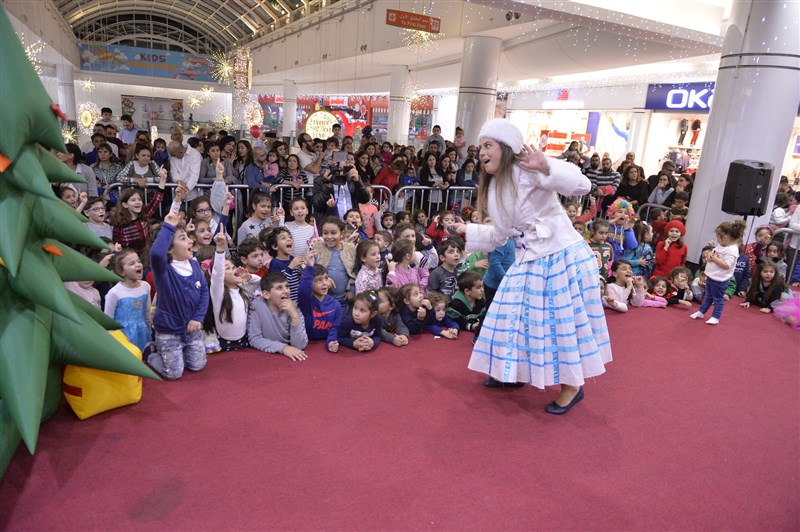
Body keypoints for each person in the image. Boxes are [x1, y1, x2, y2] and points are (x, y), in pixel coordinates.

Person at [451, 118, 611, 414]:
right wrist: (467, 231)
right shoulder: (497, 185)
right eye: (481, 147)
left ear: (507, 148)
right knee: (510, 316)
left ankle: (572, 387)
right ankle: (511, 374)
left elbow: (582, 185)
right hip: (529, 259)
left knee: (559, 325)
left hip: (561, 256)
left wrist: (548, 166)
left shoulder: (528, 169)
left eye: (488, 145)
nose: (481, 152)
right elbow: (500, 234)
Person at [148, 204, 208, 379]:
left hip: (191, 329)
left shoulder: (195, 265)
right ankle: (151, 355)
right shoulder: (164, 269)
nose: (190, 241)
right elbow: (156, 254)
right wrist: (168, 227)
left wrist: (198, 318)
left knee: (197, 366)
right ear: (169, 247)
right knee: (173, 374)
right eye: (183, 238)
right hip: (169, 330)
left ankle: (177, 354)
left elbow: (204, 293)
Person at [689, 220, 746, 325]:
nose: (717, 239)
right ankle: (701, 312)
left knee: (718, 299)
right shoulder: (723, 245)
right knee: (708, 296)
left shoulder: (732, 250)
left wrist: (714, 259)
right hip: (711, 276)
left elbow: (727, 265)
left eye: (718, 237)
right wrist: (711, 255)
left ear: (725, 238)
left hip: (720, 280)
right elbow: (715, 253)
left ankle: (715, 317)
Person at [247, 272, 309, 360]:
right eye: (279, 288)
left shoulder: (294, 308)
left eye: (287, 286)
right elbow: (255, 339)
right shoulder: (257, 306)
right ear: (266, 294)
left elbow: (299, 345)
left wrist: (295, 316)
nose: (286, 291)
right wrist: (283, 348)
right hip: (265, 357)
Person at [209, 230, 251, 351]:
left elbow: (259, 281)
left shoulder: (243, 289)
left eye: (233, 267)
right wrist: (220, 247)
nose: (233, 270)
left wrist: (247, 278)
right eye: (227, 268)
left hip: (244, 342)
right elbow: (217, 272)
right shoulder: (218, 293)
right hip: (224, 344)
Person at [110, 167, 168, 252]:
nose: (138, 202)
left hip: (145, 257)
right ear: (125, 204)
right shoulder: (119, 225)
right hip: (130, 259)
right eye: (133, 200)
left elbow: (157, 199)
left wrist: (163, 179)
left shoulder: (144, 216)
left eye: (139, 199)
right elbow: (118, 245)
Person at [105, 250, 151, 352]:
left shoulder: (145, 286)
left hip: (142, 333)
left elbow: (147, 313)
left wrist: (149, 329)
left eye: (138, 261)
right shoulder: (114, 293)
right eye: (132, 263)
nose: (138, 265)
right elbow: (108, 321)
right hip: (123, 336)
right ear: (122, 272)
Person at [298, 258, 342, 352]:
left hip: (325, 343)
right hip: (307, 345)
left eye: (326, 278)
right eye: (318, 280)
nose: (324, 283)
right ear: (310, 282)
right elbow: (303, 290)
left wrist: (331, 341)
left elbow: (335, 328)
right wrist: (309, 267)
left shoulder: (336, 305)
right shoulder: (306, 302)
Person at [446, 270, 486, 336]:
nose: (482, 290)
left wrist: (480, 322)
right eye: (478, 287)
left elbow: (482, 316)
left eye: (482, 286)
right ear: (467, 291)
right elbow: (453, 321)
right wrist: (471, 326)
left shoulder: (481, 301)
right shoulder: (456, 304)